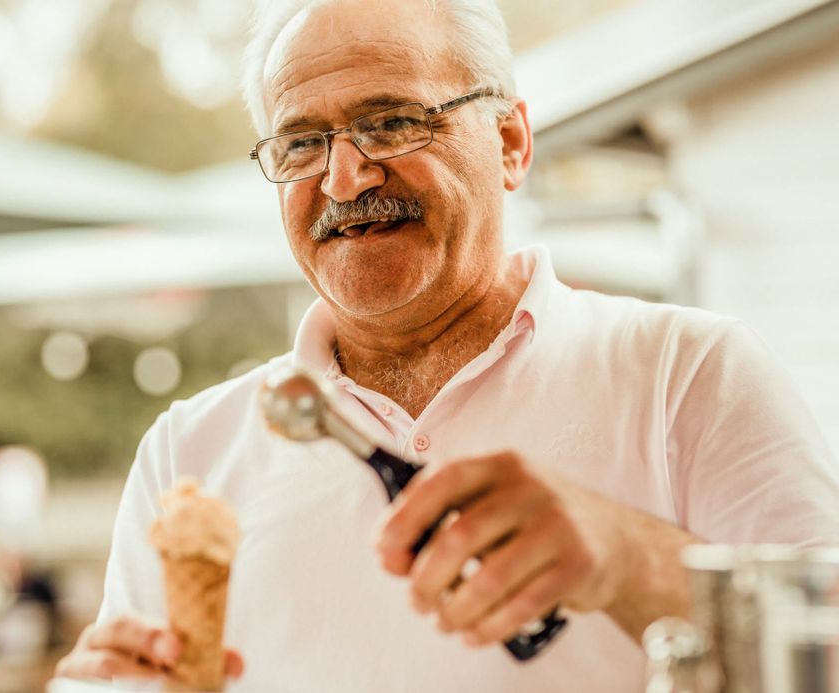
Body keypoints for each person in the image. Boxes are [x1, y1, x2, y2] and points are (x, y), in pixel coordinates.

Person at [56, 0, 839, 690]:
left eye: (392, 121)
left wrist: (630, 560)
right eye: (300, 143)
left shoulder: (689, 374)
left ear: (510, 142)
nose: (344, 178)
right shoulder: (189, 450)